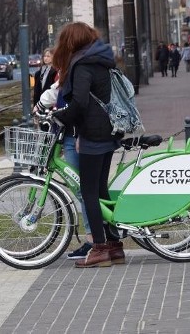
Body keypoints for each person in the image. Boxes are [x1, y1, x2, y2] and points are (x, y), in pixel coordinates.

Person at [51, 22, 124, 268]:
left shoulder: (82, 64)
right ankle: (115, 246)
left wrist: (61, 116)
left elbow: (80, 102)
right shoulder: (101, 60)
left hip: (92, 135)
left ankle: (100, 249)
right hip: (108, 131)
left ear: (71, 42)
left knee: (90, 193)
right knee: (101, 191)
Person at [34, 77, 94, 260]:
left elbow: (78, 101)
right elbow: (58, 90)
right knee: (85, 190)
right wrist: (41, 104)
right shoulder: (75, 66)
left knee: (84, 190)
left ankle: (94, 240)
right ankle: (98, 237)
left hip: (76, 135)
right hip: (72, 134)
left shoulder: (78, 66)